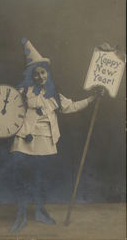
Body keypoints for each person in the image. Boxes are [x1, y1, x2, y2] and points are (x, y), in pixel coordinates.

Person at [10, 38, 97, 232]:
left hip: (46, 142)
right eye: (36, 74)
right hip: (24, 141)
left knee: (41, 178)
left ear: (47, 73)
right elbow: (5, 108)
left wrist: (92, 98)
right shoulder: (22, 92)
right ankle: (21, 216)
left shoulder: (54, 95)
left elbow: (71, 106)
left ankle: (40, 212)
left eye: (43, 72)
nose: (40, 77)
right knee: (23, 178)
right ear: (30, 76)